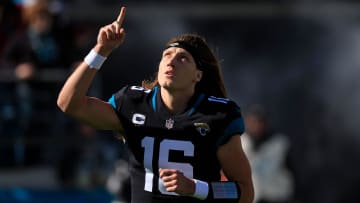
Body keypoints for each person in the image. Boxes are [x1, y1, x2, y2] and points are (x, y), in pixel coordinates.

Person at [57, 6, 254, 203]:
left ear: (198, 75)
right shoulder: (133, 103)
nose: (171, 62)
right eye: (167, 55)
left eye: (183, 58)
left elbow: (244, 192)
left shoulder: (217, 115)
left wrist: (195, 188)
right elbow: (69, 103)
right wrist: (101, 50)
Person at [241, 104, 294, 203]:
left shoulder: (279, 144)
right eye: (253, 121)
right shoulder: (238, 144)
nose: (256, 125)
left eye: (260, 121)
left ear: (265, 123)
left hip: (277, 198)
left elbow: (293, 172)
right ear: (246, 121)